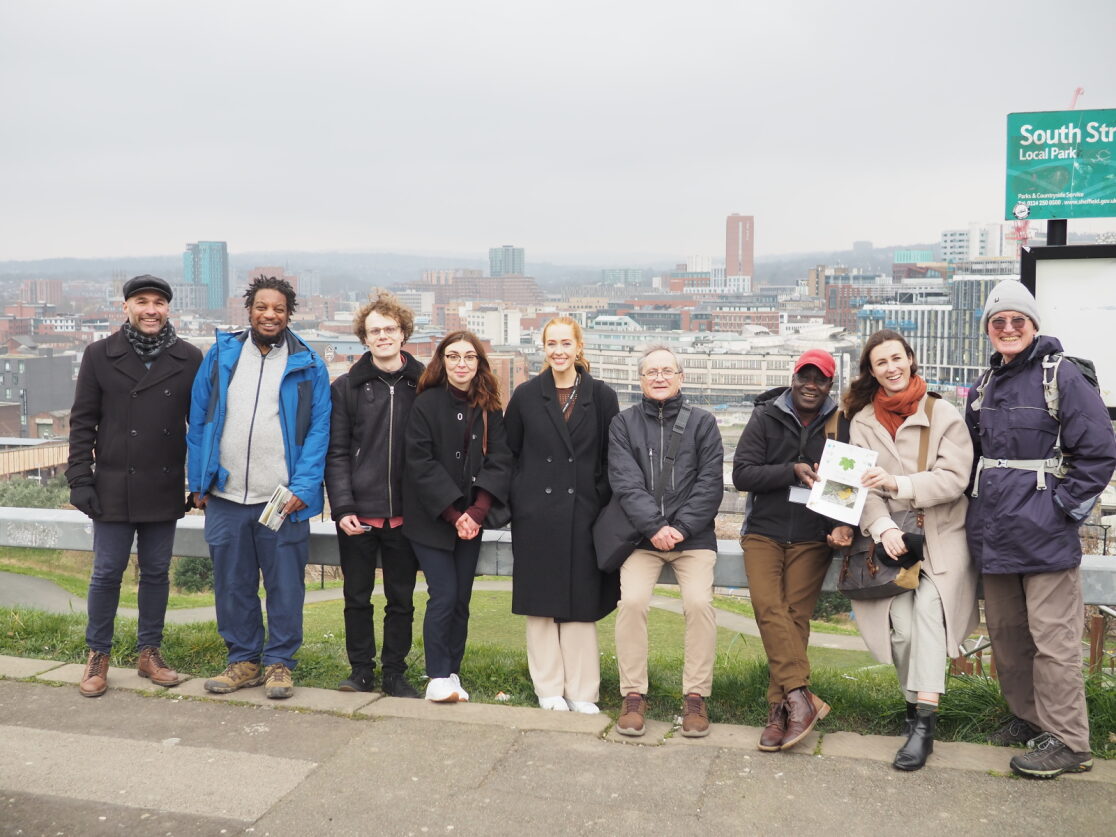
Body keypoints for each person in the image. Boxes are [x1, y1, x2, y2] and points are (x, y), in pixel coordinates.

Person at [965, 280, 1116, 779]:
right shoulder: (985, 383)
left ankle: (1070, 741)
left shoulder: (1061, 375)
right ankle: (1030, 720)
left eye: (1017, 320)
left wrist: (1062, 509)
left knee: (1054, 641)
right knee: (1008, 636)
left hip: (1045, 533)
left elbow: (1099, 452)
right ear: (988, 329)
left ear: (1033, 325)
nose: (1008, 328)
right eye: (998, 321)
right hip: (996, 530)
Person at [187, 275, 331, 700]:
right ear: (248, 310)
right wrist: (199, 482)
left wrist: (304, 486)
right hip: (226, 496)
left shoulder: (309, 365)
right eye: (262, 307)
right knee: (233, 584)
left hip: (282, 500)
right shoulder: (220, 357)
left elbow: (320, 429)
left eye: (279, 309)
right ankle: (244, 660)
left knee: (285, 585)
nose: (270, 314)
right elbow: (199, 422)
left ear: (289, 314)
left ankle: (280, 664)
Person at [844, 329, 978, 771]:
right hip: (892, 543)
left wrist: (899, 484)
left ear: (911, 359)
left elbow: (955, 478)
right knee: (899, 628)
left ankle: (923, 725)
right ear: (872, 371)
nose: (892, 368)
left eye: (897, 358)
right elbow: (860, 487)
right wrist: (881, 528)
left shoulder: (942, 413)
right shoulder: (861, 421)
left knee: (927, 615)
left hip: (941, 537)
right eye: (881, 363)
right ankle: (913, 705)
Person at [66, 275, 203, 697]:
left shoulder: (190, 358)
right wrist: (79, 480)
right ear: (125, 307)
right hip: (111, 485)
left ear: (168, 309)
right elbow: (82, 421)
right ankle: (98, 655)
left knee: (157, 573)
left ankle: (149, 653)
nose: (150, 309)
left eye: (158, 302)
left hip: (162, 486)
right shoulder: (99, 354)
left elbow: (199, 428)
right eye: (141, 301)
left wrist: (199, 483)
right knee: (106, 573)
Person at [732, 349, 853, 751]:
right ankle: (801, 697)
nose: (811, 385)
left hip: (810, 537)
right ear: (794, 377)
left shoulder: (841, 423)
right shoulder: (766, 415)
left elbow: (848, 488)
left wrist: (841, 525)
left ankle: (780, 711)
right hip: (763, 532)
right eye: (805, 376)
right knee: (769, 609)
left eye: (820, 379)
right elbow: (742, 473)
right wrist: (790, 469)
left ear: (830, 385)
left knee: (795, 618)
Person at [504, 317, 620, 714]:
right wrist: (522, 499)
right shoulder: (525, 395)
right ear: (543, 348)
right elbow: (509, 454)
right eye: (551, 343)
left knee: (580, 603)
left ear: (578, 346)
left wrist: (597, 499)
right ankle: (548, 688)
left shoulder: (602, 396)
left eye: (565, 343)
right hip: (536, 515)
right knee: (540, 604)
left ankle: (583, 691)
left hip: (585, 513)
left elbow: (611, 457)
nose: (558, 350)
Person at [608, 346, 724, 738]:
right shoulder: (622, 424)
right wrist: (656, 527)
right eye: (651, 372)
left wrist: (682, 528)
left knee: (699, 604)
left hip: (693, 539)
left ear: (681, 377)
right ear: (640, 380)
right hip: (642, 538)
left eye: (667, 371)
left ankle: (695, 696)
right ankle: (634, 695)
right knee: (633, 603)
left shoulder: (704, 423)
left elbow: (710, 484)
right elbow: (625, 482)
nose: (659, 377)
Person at [402, 331, 512, 702]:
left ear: (479, 363)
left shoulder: (490, 406)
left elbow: (500, 461)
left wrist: (477, 513)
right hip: (432, 518)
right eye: (453, 356)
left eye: (469, 357)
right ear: (442, 361)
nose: (461, 363)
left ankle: (452, 673)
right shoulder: (425, 404)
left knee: (461, 598)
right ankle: (435, 676)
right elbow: (420, 464)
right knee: (444, 594)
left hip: (472, 520)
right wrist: (456, 514)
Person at [325, 292, 424, 698]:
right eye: (374, 331)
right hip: (359, 513)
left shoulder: (426, 384)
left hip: (408, 514)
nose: (383, 336)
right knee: (357, 598)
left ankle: (394, 673)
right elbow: (337, 452)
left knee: (401, 600)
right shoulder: (345, 387)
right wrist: (343, 505)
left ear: (403, 334)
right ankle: (361, 671)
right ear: (364, 339)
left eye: (390, 329)